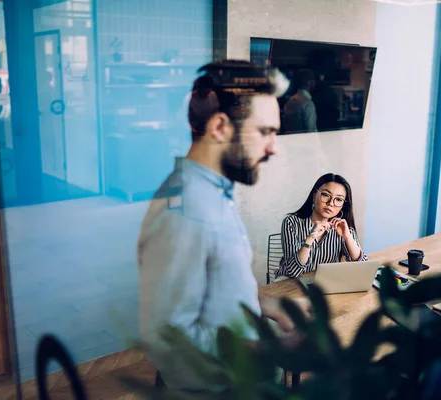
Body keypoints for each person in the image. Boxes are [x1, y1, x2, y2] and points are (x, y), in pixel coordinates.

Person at [137, 60, 308, 390]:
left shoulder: (213, 191)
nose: (273, 147)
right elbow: (168, 342)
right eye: (265, 132)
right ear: (219, 127)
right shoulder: (186, 211)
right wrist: (273, 349)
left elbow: (217, 287)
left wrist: (271, 305)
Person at [275, 173, 367, 279]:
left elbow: (362, 268)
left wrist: (347, 237)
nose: (331, 203)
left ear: (342, 206)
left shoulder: (342, 227)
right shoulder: (291, 222)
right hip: (288, 284)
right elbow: (292, 272)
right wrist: (310, 238)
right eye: (326, 195)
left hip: (324, 285)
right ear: (314, 196)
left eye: (339, 199)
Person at [282, 69, 317, 133]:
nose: (315, 82)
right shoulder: (308, 104)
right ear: (308, 82)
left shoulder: (289, 102)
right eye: (313, 80)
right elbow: (311, 131)